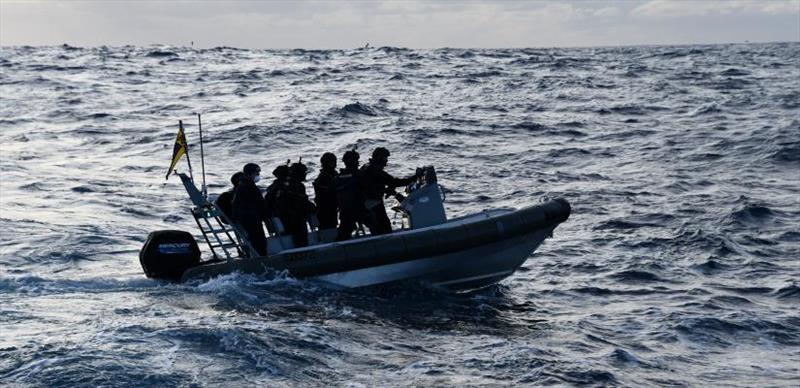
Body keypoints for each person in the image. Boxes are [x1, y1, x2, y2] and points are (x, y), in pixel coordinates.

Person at [358, 147, 419, 235]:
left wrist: (389, 190)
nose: (386, 161)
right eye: (385, 158)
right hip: (372, 204)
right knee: (385, 227)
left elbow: (376, 184)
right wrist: (415, 177)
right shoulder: (376, 171)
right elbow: (396, 182)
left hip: (364, 204)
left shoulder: (366, 167)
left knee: (378, 227)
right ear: (380, 158)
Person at [275, 162, 316, 248]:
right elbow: (300, 201)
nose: (305, 175)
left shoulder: (286, 184)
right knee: (301, 240)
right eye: (303, 173)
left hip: (289, 217)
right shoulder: (297, 185)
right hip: (296, 217)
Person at [231, 163, 268, 256]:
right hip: (251, 218)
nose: (258, 175)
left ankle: (257, 256)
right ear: (251, 173)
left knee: (255, 239)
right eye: (257, 173)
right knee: (259, 240)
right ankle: (262, 259)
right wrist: (266, 214)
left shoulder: (242, 184)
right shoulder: (248, 185)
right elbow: (259, 201)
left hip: (247, 217)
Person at [335, 149, 365, 241]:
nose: (358, 163)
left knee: (343, 233)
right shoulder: (358, 175)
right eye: (356, 160)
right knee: (377, 226)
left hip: (345, 211)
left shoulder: (338, 177)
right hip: (359, 209)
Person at [312, 152, 339, 230]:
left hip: (332, 206)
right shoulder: (323, 177)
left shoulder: (333, 174)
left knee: (332, 225)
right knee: (327, 226)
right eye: (333, 162)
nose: (335, 164)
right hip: (325, 208)